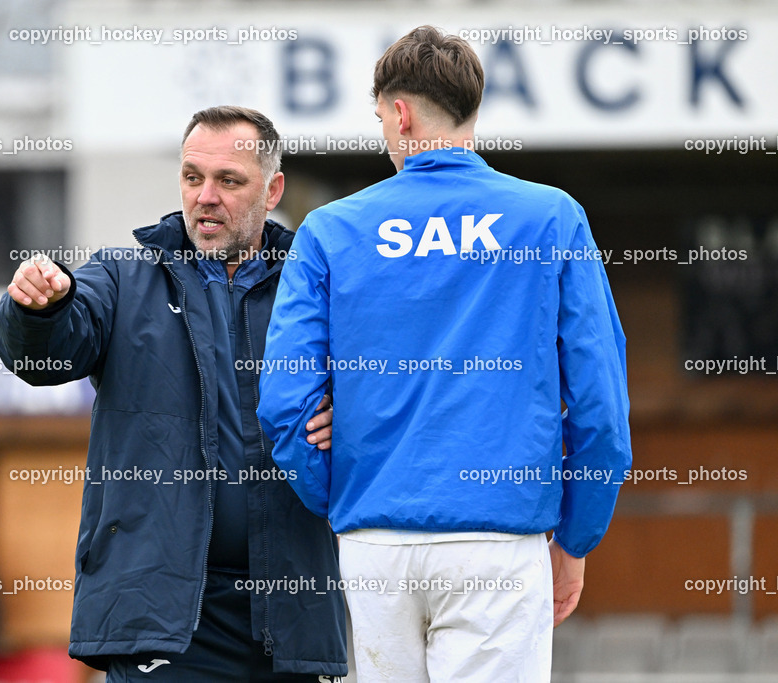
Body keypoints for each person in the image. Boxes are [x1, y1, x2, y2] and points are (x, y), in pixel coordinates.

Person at [257, 26, 633, 683]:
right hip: (499, 540)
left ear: (400, 114)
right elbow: (600, 405)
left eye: (379, 118)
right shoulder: (552, 218)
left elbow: (284, 406)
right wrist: (576, 538)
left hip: (376, 542)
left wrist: (345, 496)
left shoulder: (330, 230)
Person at [0, 106, 347, 682]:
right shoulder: (122, 277)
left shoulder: (315, 287)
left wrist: (350, 421)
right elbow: (46, 356)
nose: (205, 196)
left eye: (229, 181)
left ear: (273, 188)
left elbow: (387, 394)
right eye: (192, 177)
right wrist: (39, 309)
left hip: (292, 615)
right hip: (161, 623)